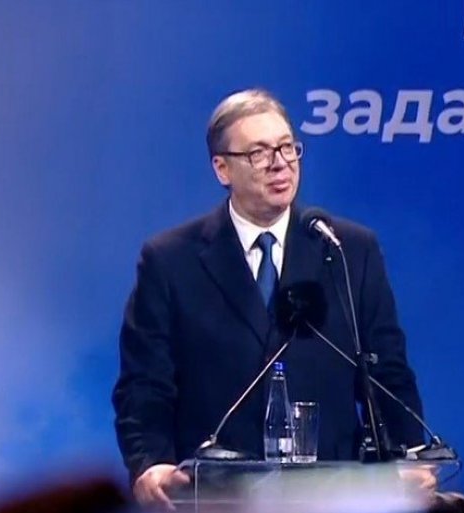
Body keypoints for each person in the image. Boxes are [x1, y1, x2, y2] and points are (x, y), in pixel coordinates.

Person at [112, 89, 429, 508]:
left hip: (330, 496)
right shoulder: (170, 260)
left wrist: (411, 455)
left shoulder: (348, 250)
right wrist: (150, 463)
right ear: (222, 168)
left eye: (287, 147)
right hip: (215, 497)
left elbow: (387, 371)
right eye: (258, 153)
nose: (280, 163)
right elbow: (144, 384)